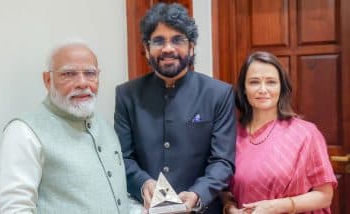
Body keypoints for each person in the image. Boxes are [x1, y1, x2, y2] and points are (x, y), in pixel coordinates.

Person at [114, 3, 236, 213]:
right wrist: (143, 183)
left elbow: (222, 160)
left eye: (177, 40)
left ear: (191, 47)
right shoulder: (127, 95)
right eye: (158, 41)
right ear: (146, 48)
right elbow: (122, 156)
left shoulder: (218, 94)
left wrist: (198, 194)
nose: (168, 48)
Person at [0, 39, 128, 213]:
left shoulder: (105, 127)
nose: (82, 83)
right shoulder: (24, 132)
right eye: (69, 74)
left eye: (90, 73)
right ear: (47, 80)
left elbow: (117, 200)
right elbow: (14, 210)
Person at [223, 51, 337, 213]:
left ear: (281, 87)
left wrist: (275, 206)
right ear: (244, 89)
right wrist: (230, 208)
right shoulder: (230, 134)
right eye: (254, 82)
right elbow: (223, 187)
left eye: (271, 82)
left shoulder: (306, 133)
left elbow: (324, 196)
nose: (263, 89)